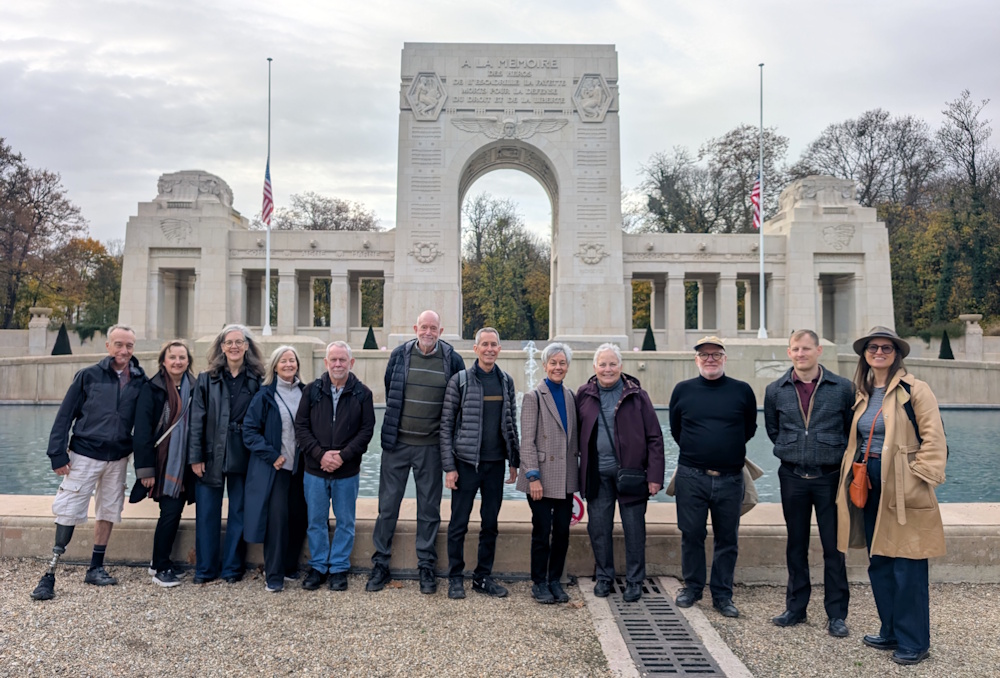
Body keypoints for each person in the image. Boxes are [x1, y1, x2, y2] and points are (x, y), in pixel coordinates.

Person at [836, 327, 947, 666]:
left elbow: (934, 437)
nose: (879, 352)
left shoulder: (915, 389)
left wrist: (918, 479)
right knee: (881, 561)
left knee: (909, 565)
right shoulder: (863, 392)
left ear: (896, 353)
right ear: (865, 354)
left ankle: (915, 641)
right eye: (873, 347)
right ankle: (891, 631)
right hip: (868, 490)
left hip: (903, 488)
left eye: (886, 347)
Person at [31, 325, 146, 601]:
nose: (124, 350)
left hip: (118, 457)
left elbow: (145, 425)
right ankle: (51, 572)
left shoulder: (141, 380)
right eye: (119, 344)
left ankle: (96, 568)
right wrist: (56, 453)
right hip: (84, 454)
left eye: (129, 346)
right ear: (108, 346)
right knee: (69, 508)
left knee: (108, 510)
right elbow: (65, 415)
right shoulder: (89, 376)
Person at [367, 310, 465, 595]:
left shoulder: (452, 359)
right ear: (415, 328)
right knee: (387, 508)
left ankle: (426, 566)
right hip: (397, 445)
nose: (428, 332)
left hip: (431, 448)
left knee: (429, 510)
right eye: (424, 327)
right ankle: (380, 564)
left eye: (433, 328)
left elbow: (456, 402)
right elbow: (391, 389)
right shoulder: (399, 355)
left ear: (440, 330)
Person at [764, 330, 854, 636]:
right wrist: (794, 449)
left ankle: (837, 614)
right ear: (789, 353)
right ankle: (796, 608)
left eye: (806, 348)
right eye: (795, 349)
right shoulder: (775, 389)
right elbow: (773, 430)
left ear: (818, 351)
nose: (800, 354)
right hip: (792, 476)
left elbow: (849, 429)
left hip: (829, 477)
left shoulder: (842, 388)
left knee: (833, 547)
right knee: (796, 544)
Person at [670, 336, 757, 618]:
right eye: (704, 355)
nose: (710, 359)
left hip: (730, 478)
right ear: (696, 360)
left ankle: (722, 595)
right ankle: (692, 588)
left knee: (727, 538)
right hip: (691, 475)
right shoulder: (683, 390)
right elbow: (676, 430)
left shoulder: (742, 391)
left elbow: (749, 429)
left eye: (716, 354)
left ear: (724, 358)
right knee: (691, 534)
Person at [577, 343, 664, 603]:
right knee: (599, 528)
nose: (607, 369)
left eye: (612, 364)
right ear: (594, 367)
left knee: (634, 529)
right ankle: (604, 576)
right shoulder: (584, 394)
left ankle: (635, 581)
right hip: (597, 474)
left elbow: (655, 437)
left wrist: (655, 476)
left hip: (632, 475)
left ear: (621, 367)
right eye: (602, 364)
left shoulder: (637, 395)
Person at [440, 327, 520, 600]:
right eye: (484, 344)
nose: (489, 349)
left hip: (495, 464)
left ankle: (483, 576)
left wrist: (514, 460)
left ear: (499, 349)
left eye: (494, 344)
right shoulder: (459, 380)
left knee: (490, 523)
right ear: (475, 349)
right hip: (465, 464)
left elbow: (511, 422)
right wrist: (449, 468)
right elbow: (446, 425)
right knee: (458, 523)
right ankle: (455, 577)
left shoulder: (506, 380)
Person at [294, 341, 375, 591]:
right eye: (334, 360)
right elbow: (301, 427)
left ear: (351, 363)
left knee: (345, 521)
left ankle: (339, 567)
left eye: (342, 360)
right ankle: (318, 566)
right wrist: (321, 455)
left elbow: (366, 431)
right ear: (326, 362)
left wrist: (342, 456)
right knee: (315, 520)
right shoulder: (311, 391)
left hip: (346, 471)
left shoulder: (363, 393)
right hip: (315, 470)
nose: (338, 364)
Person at [188, 324, 264, 584]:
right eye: (229, 342)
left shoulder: (257, 378)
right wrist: (195, 456)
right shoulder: (206, 379)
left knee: (239, 512)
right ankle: (205, 569)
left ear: (246, 346)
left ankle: (232, 568)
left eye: (239, 342)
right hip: (211, 453)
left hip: (244, 452)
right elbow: (196, 420)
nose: (234, 346)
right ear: (221, 347)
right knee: (207, 512)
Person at [515, 342, 579, 604]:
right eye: (553, 362)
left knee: (562, 531)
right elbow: (526, 441)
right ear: (544, 366)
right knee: (542, 532)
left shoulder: (570, 396)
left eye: (562, 363)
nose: (557, 367)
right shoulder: (533, 397)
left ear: (567, 367)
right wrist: (532, 476)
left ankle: (555, 580)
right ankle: (539, 582)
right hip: (540, 477)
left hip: (564, 477)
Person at [243, 346, 308, 593]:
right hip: (277, 469)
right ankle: (274, 574)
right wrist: (272, 456)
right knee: (277, 522)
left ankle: (290, 566)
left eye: (292, 360)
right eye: (284, 361)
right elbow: (249, 432)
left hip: (301, 468)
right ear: (275, 366)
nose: (289, 364)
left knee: (299, 518)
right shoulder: (264, 396)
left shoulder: (306, 392)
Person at [132, 339, 196, 588]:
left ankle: (160, 561)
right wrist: (145, 470)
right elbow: (142, 431)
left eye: (182, 357)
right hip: (162, 462)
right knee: (169, 513)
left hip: (183, 463)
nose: (177, 362)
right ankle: (159, 566)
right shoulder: (153, 388)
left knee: (173, 512)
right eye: (173, 357)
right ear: (163, 361)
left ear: (188, 361)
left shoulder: (195, 386)